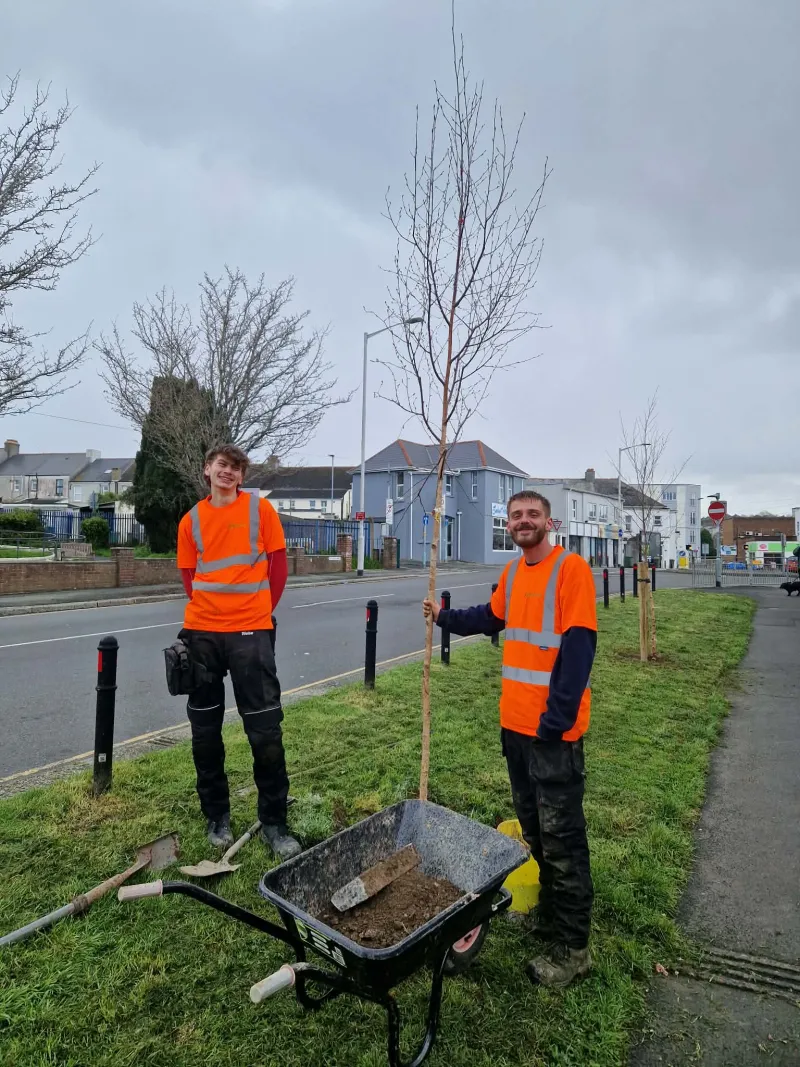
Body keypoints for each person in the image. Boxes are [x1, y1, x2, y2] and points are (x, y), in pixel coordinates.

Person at [422, 490, 597, 988]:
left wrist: (553, 723)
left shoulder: (571, 571)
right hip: (515, 729)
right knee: (536, 831)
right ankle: (552, 914)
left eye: (532, 515)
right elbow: (491, 617)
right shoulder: (516, 572)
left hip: (552, 734)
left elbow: (579, 651)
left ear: (549, 521)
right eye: (516, 515)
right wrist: (445, 618)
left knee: (564, 841)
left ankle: (574, 948)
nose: (523, 522)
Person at [176, 444, 301, 861]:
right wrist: (212, 614)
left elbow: (278, 566)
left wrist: (260, 612)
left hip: (252, 633)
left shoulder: (260, 512)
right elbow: (189, 576)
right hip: (203, 635)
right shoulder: (190, 520)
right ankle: (217, 817)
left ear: (242, 476)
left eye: (236, 467)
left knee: (265, 731)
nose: (228, 472)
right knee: (205, 732)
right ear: (207, 470)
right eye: (222, 465)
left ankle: (274, 822)